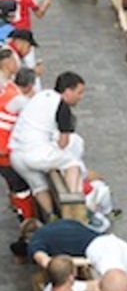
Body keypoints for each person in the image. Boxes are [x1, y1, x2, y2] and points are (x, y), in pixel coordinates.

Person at [9, 71, 85, 216]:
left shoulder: (41, 95)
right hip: (35, 154)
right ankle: (74, 203)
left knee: (38, 186)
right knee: (72, 163)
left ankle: (51, 216)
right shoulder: (62, 106)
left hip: (16, 154)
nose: (80, 97)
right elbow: (63, 143)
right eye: (79, 92)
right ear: (68, 91)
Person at [0, 66, 35, 219]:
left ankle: (16, 204)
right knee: (21, 187)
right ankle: (27, 218)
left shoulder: (8, 88)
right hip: (4, 150)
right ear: (29, 86)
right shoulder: (20, 100)